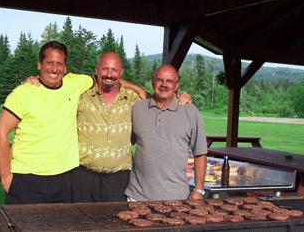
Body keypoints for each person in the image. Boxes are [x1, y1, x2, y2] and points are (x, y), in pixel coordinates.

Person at [23, 53, 192, 203]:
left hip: (119, 180)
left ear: (121, 73)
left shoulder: (135, 100)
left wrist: (181, 97)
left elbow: (163, 100)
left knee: (116, 226)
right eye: (105, 69)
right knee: (81, 226)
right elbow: (53, 88)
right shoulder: (80, 95)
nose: (109, 74)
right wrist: (35, 81)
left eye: (114, 70)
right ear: (96, 70)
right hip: (83, 178)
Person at [0, 41, 95, 204]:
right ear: (39, 64)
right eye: (50, 63)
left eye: (59, 64)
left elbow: (106, 78)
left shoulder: (74, 83)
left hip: (64, 179)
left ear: (65, 67)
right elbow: (0, 132)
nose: (54, 69)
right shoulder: (23, 93)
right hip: (27, 179)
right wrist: (5, 176)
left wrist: (139, 89)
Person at [125, 64, 207, 201]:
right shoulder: (138, 108)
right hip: (137, 197)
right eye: (159, 80)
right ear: (152, 83)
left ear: (176, 85)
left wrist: (198, 189)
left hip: (177, 198)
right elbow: (113, 80)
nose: (164, 84)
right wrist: (137, 88)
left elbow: (200, 153)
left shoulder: (190, 111)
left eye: (169, 81)